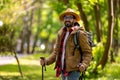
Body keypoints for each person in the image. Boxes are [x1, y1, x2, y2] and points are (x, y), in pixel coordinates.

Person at [40, 8, 92, 80]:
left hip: (74, 70)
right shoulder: (61, 33)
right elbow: (56, 52)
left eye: (70, 17)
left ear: (74, 20)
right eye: (65, 17)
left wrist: (84, 65)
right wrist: (46, 61)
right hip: (62, 69)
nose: (67, 19)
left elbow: (87, 52)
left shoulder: (79, 34)